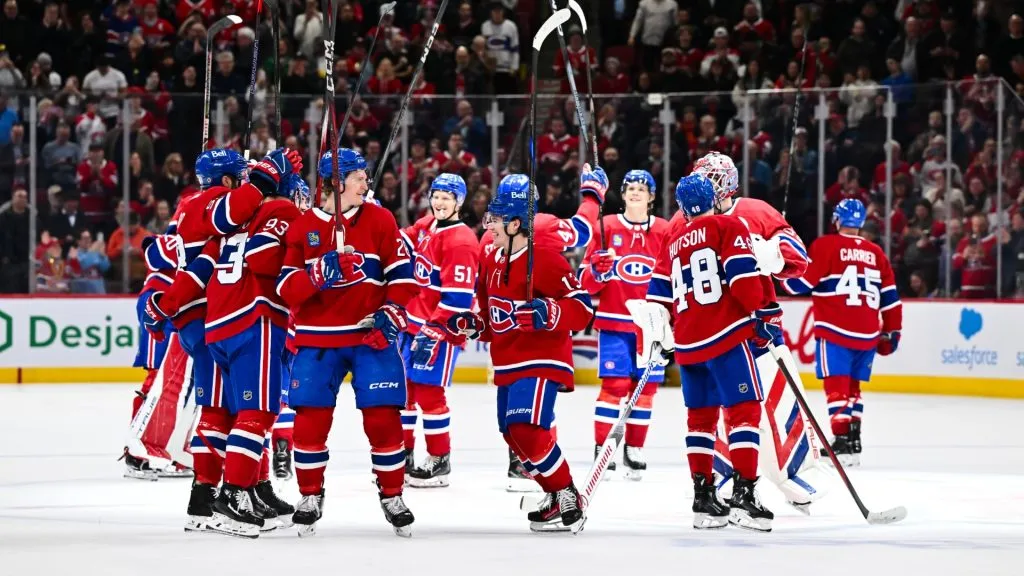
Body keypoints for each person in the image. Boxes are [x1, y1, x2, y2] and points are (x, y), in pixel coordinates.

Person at [142, 148, 302, 534]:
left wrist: (164, 303)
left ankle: (217, 495)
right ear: (229, 182)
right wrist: (265, 176)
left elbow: (173, 256)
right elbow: (216, 243)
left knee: (223, 411)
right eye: (241, 179)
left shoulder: (192, 208)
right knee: (240, 412)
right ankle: (229, 495)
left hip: (208, 317)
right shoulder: (210, 203)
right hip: (219, 314)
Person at [676, 151, 830, 512]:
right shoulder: (687, 218)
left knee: (778, 405)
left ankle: (794, 474)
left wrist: (774, 253)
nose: (708, 188)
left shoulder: (756, 212)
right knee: (718, 410)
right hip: (718, 331)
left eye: (712, 180)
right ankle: (719, 477)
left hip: (756, 330)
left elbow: (799, 260)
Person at [276, 148, 418, 538]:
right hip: (318, 340)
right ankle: (309, 494)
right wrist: (322, 271)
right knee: (309, 420)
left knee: (383, 417)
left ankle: (392, 494)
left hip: (369, 336)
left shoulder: (380, 218)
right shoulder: (301, 227)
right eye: (358, 177)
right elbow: (288, 289)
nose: (365, 183)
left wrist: (393, 311)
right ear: (335, 183)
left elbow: (404, 275)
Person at [449, 173, 595, 532]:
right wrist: (473, 324)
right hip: (508, 359)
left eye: (496, 220)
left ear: (516, 223)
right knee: (512, 434)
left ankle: (566, 493)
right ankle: (552, 495)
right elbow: (488, 314)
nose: (489, 226)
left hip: (542, 357)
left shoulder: (544, 259)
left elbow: (581, 306)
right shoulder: (491, 259)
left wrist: (550, 312)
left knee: (526, 428)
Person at [638, 173, 778, 532]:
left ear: (683, 209)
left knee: (700, 420)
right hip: (726, 336)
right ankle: (744, 496)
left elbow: (660, 294)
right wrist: (761, 312)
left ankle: (704, 498)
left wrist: (659, 335)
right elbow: (743, 280)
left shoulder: (672, 239)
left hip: (687, 343)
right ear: (715, 199)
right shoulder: (727, 225)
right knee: (744, 412)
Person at [781, 199, 902, 466]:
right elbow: (891, 298)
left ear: (837, 220)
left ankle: (842, 441)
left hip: (835, 329)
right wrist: (892, 330)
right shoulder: (877, 253)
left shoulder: (826, 246)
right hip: (868, 332)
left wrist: (779, 266)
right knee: (853, 388)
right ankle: (853, 439)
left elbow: (799, 284)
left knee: (836, 387)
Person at [578, 170, 670, 480]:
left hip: (652, 326)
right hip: (615, 322)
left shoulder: (665, 231)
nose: (635, 193)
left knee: (645, 391)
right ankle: (603, 448)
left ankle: (634, 448)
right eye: (629, 187)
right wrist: (598, 270)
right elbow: (585, 284)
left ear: (652, 196)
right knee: (614, 386)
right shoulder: (604, 227)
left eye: (642, 188)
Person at [399, 173, 480, 488]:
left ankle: (439, 459)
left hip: (440, 329)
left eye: (447, 197)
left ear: (459, 202)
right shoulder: (429, 224)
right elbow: (403, 237)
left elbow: (458, 299)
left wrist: (432, 332)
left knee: (430, 394)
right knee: (405, 393)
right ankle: (404, 456)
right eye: (436, 195)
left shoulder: (461, 241)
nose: (439, 202)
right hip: (414, 322)